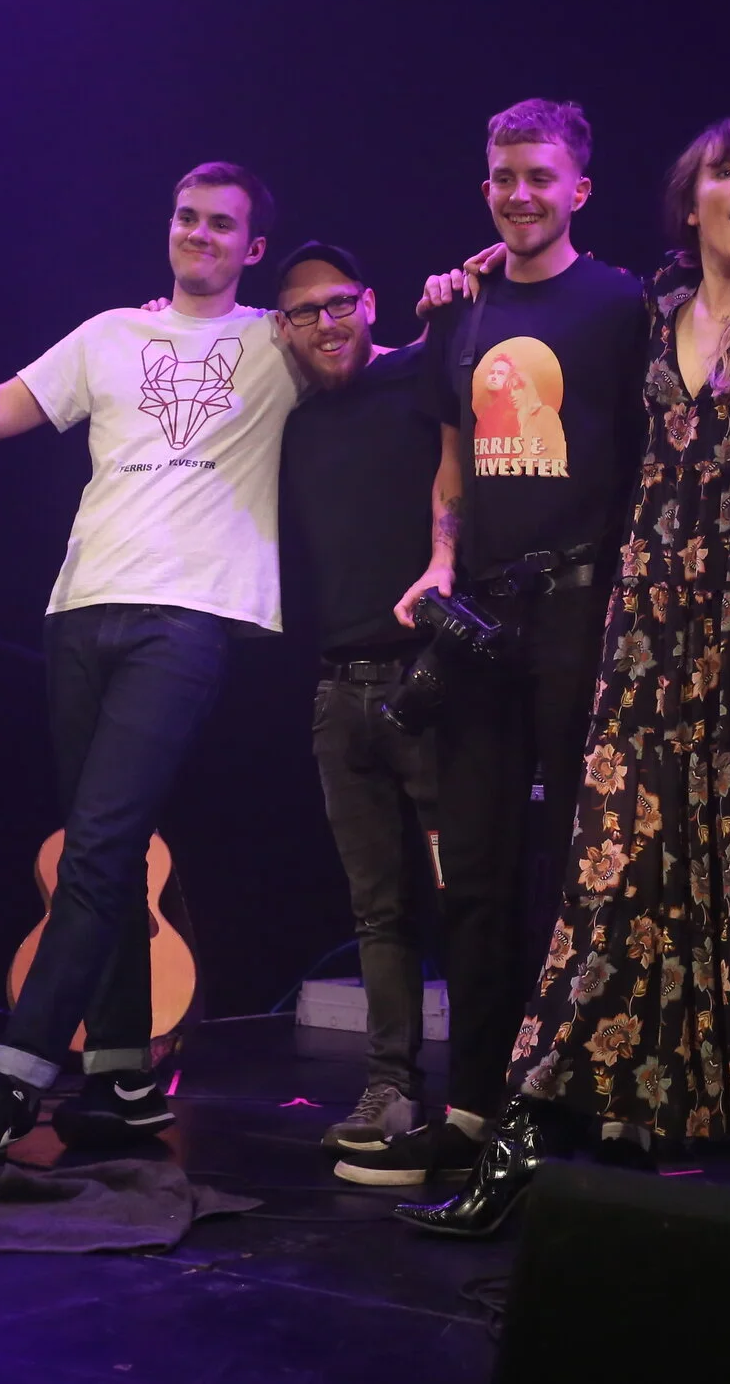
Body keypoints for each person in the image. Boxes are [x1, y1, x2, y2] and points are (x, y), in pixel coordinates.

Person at [392, 116, 730, 1237]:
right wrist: (463, 283)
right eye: (728, 171)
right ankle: (527, 1137)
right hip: (657, 617)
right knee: (613, 873)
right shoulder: (650, 311)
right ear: (690, 199)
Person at [0, 161, 302, 1164]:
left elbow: (374, 359)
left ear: (254, 247)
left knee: (96, 844)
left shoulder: (277, 340)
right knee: (106, 852)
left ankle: (15, 1077)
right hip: (80, 609)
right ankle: (125, 1076)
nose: (199, 234)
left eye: (221, 224)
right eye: (186, 217)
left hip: (187, 617)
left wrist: (450, 298)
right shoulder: (110, 332)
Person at [330, 99, 652, 1187]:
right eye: (504, 177)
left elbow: (648, 454)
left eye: (540, 176)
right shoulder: (459, 313)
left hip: (582, 610)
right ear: (485, 187)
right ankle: (472, 1107)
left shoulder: (620, 304)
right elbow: (452, 458)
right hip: (480, 616)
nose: (520, 194)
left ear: (578, 189)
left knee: (581, 863)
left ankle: (582, 1103)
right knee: (471, 868)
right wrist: (438, 558)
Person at [270, 240, 447, 1156]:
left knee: (475, 899)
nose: (327, 322)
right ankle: (391, 1086)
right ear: (284, 328)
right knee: (379, 909)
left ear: (370, 302)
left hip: (436, 678)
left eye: (340, 302)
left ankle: (495, 1091)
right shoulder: (289, 422)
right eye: (306, 312)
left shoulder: (421, 373)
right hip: (340, 691)